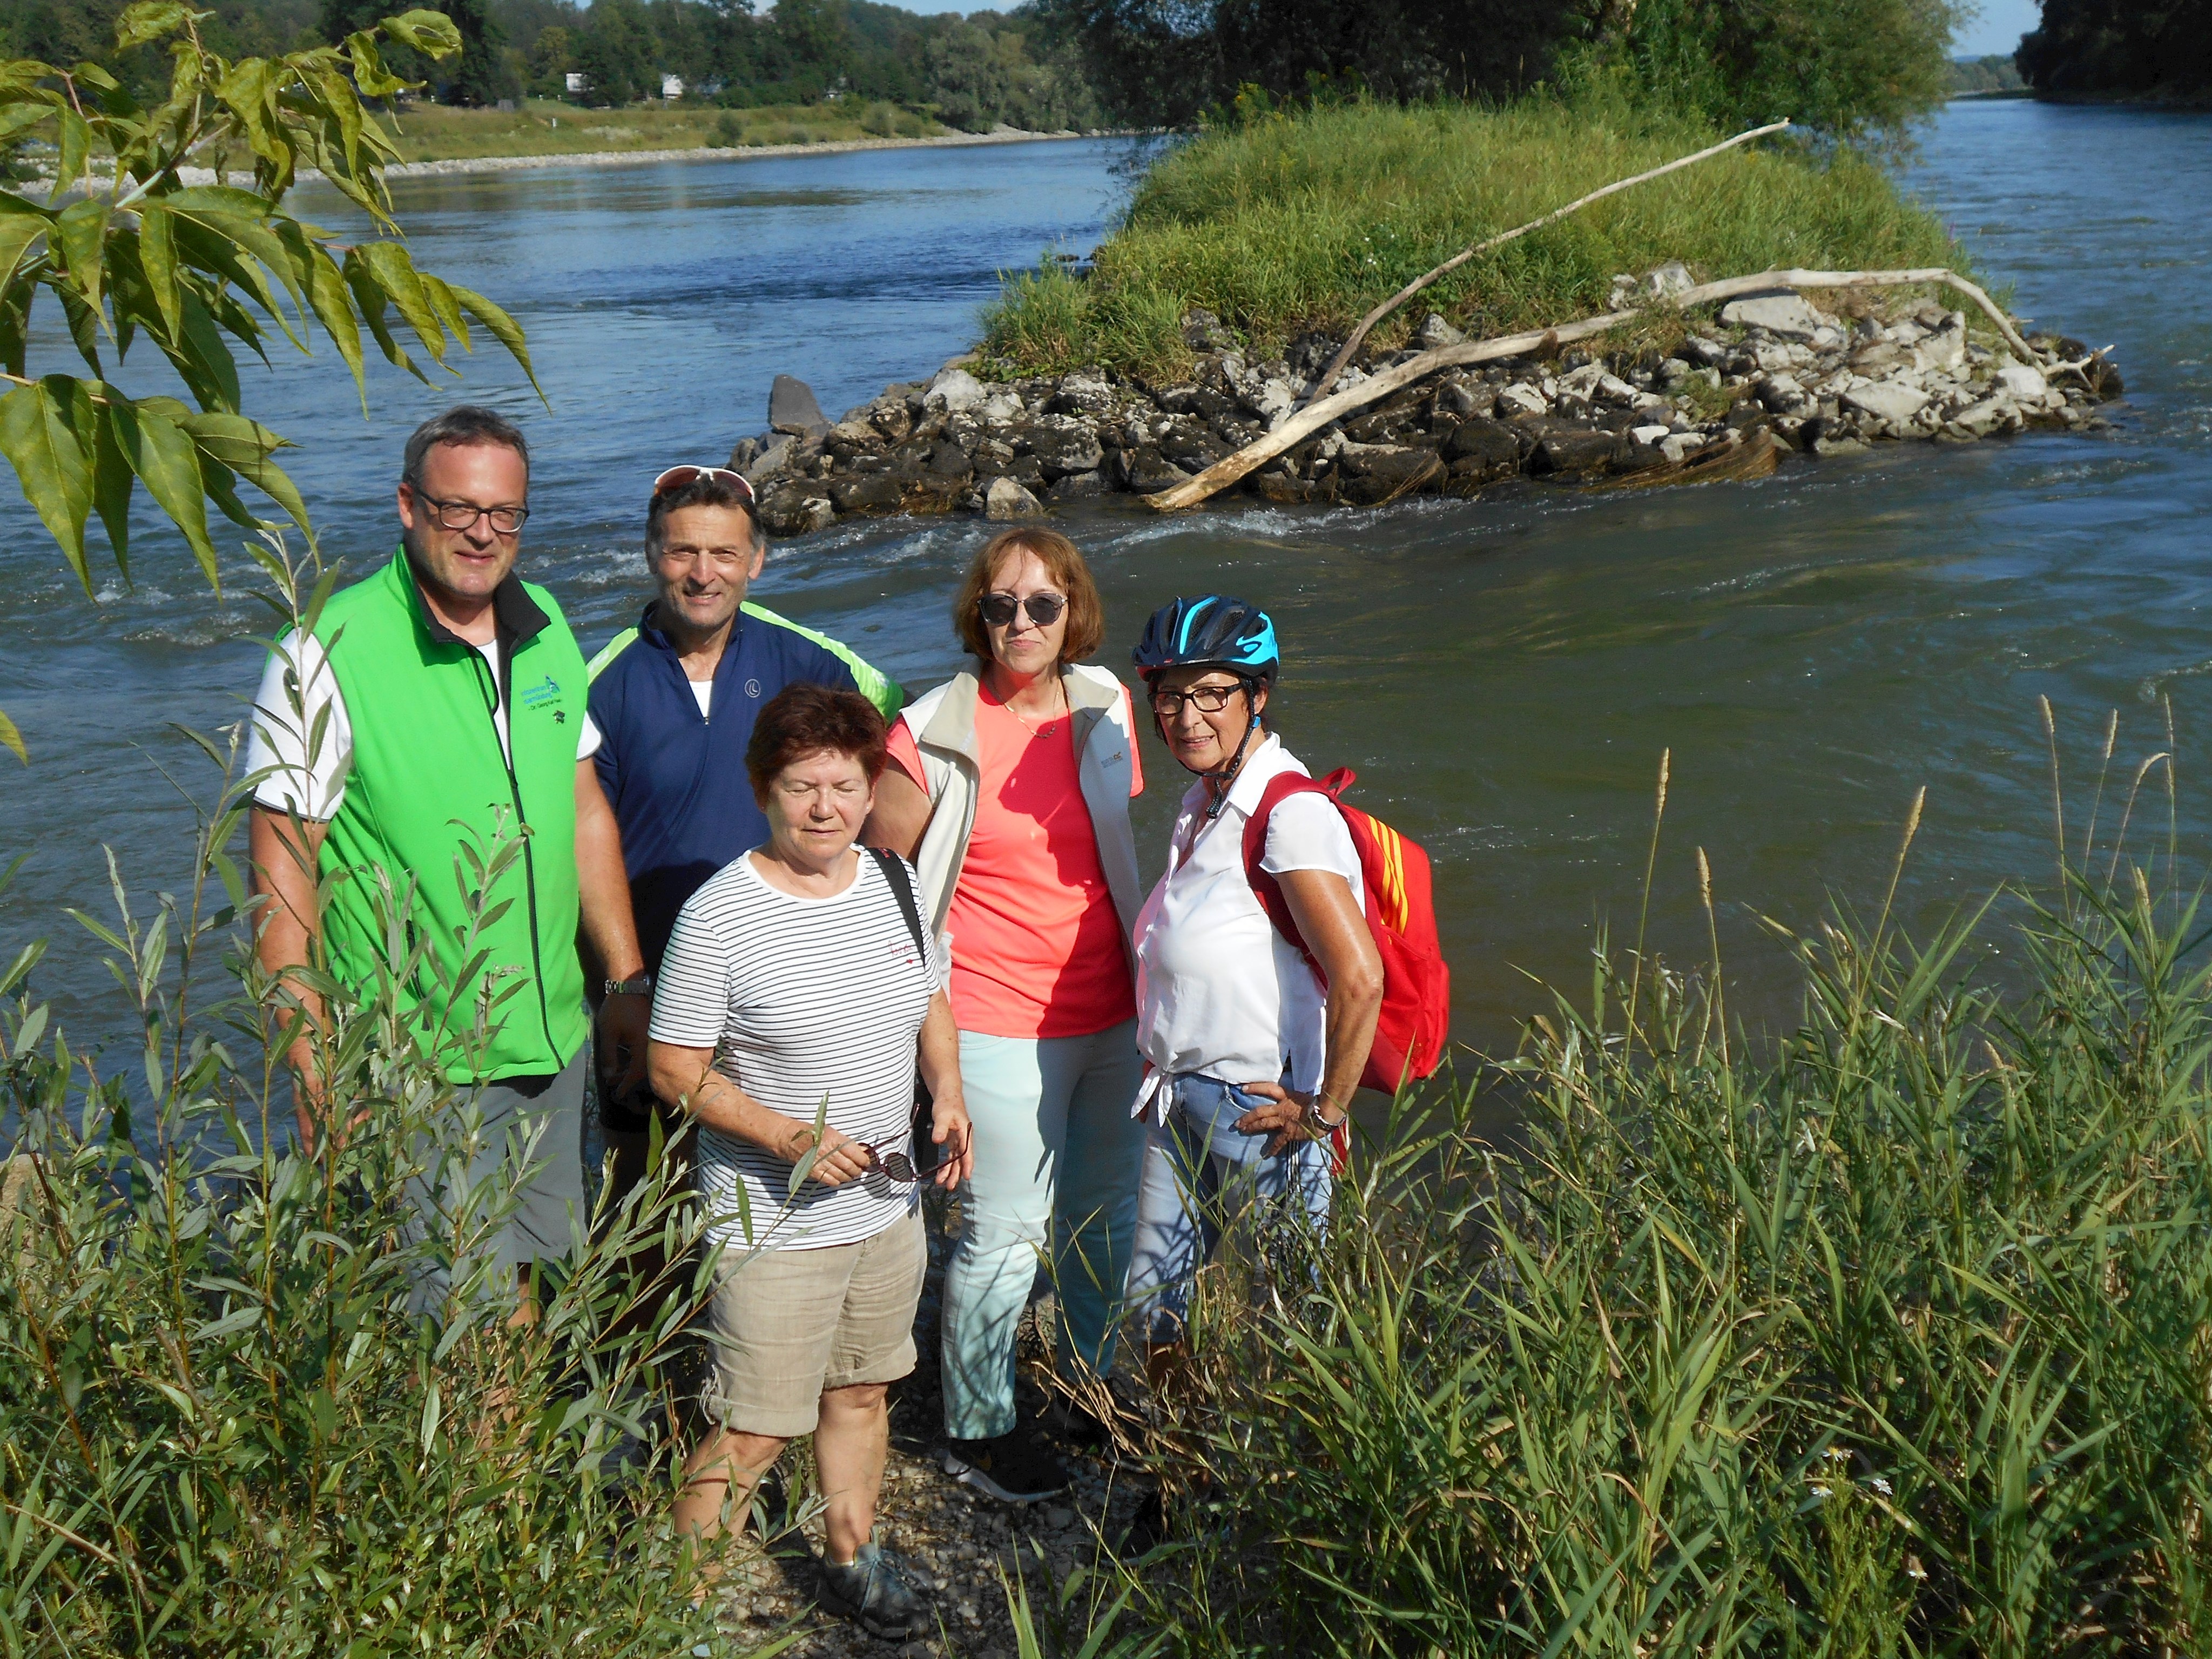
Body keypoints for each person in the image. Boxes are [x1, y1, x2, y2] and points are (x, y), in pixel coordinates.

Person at [247, 404, 650, 1303]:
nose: (482, 533)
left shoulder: (543, 620)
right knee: (448, 1319)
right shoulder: (322, 652)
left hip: (549, 1038)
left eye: (505, 513)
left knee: (525, 1294)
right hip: (414, 1057)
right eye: (456, 509)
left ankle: (509, 1453)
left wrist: (623, 981)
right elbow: (280, 872)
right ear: (407, 505)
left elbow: (584, 810)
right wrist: (312, 1064)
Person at [648, 683, 972, 1640]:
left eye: (843, 785)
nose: (824, 807)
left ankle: (851, 1560)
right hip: (771, 1222)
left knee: (862, 1391)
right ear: (763, 791)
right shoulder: (718, 916)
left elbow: (930, 1001)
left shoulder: (897, 885)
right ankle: (680, 1611)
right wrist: (787, 1136)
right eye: (801, 788)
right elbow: (673, 1069)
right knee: (755, 1427)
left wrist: (946, 1094)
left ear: (872, 790)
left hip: (884, 1207)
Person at [865, 528, 1147, 1505]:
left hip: (1113, 1008)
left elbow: (1108, 854)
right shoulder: (931, 729)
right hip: (989, 1016)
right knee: (1005, 1232)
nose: (1020, 624)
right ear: (975, 615)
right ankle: (978, 1427)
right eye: (1001, 605)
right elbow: (882, 879)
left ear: (1075, 612)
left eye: (1042, 605)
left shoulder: (1108, 704)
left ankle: (1085, 1389)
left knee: (1106, 1220)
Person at [586, 463, 902, 1203]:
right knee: (643, 1198)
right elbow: (580, 837)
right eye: (682, 552)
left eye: (725, 554)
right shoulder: (603, 683)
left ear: (756, 560)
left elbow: (902, 756)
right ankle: (649, 1320)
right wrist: (620, 985)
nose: (704, 574)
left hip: (787, 994)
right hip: (653, 990)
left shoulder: (809, 661)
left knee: (783, 1176)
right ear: (650, 555)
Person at [1121, 592, 1385, 1402]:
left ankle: (1300, 1492)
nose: (1187, 717)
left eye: (1213, 693)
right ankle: (1188, 1465)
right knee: (1153, 1307)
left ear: (1256, 695)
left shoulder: (1289, 814)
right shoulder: (1206, 802)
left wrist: (1326, 1112)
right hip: (1176, 1101)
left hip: (1257, 1112)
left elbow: (1361, 977)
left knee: (1297, 1327)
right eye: (1169, 695)